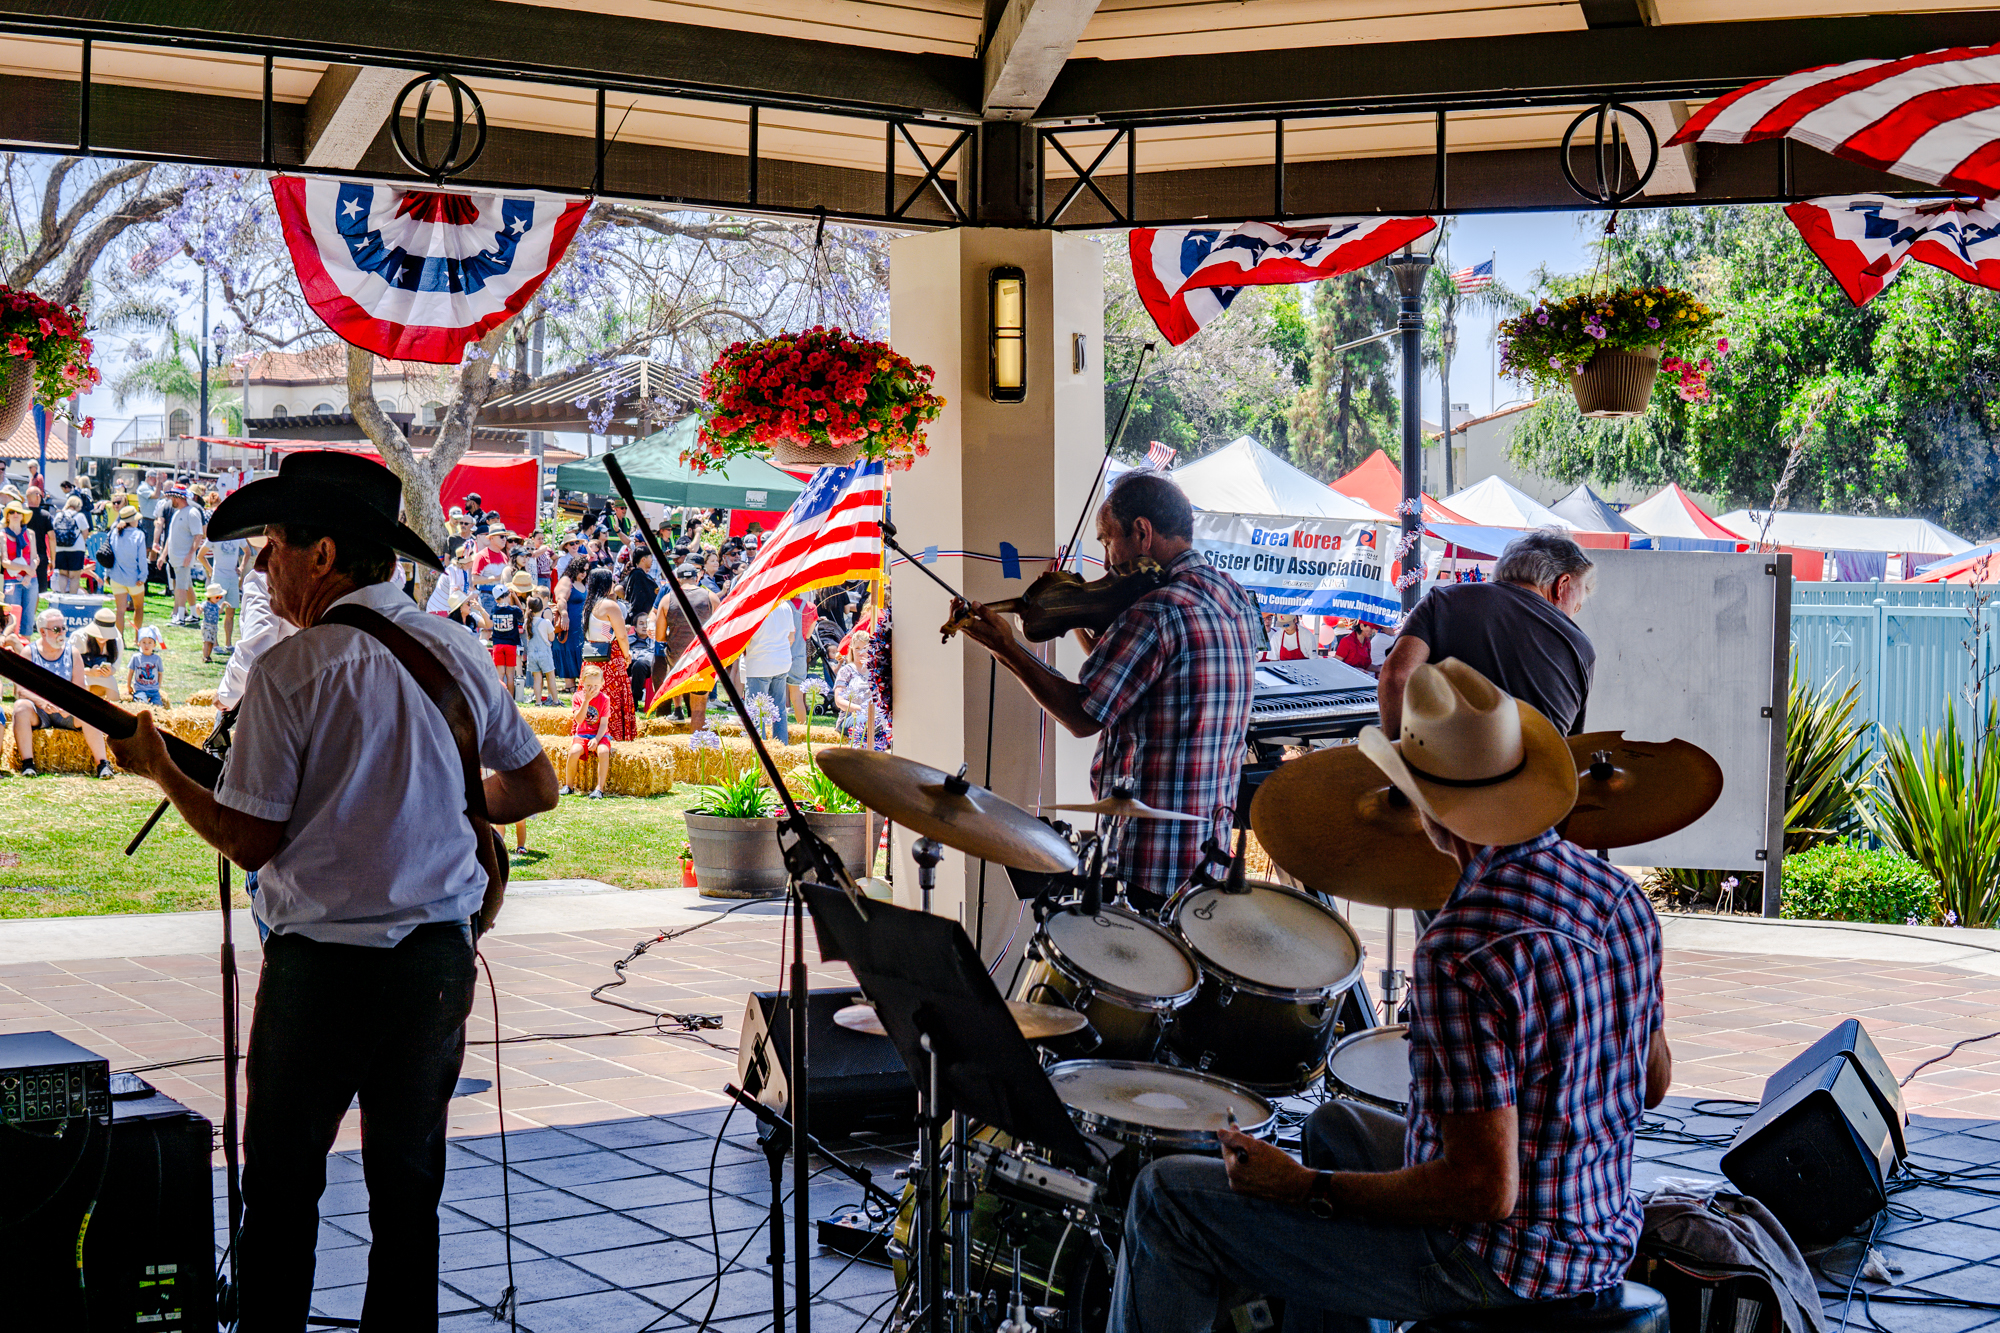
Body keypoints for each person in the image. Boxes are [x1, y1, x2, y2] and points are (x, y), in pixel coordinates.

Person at [104, 449, 558, 1333]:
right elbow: (534, 787)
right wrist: (444, 802)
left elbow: (249, 837)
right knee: (409, 1192)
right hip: (435, 965)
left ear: (321, 555)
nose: (262, 563)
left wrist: (160, 767)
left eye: (272, 544)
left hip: (320, 972)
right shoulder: (456, 646)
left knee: (281, 1191)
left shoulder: (291, 670)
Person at [1109, 658, 1671, 1333]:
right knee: (1335, 1126)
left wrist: (1304, 1188)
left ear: (1426, 808)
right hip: (1597, 1235)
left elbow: (1483, 1190)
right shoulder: (1620, 899)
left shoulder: (1460, 949)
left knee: (1166, 1197)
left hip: (1493, 1267)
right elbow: (1653, 1082)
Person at [954, 471, 1258, 906]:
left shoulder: (1156, 612)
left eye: (1106, 541)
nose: (1106, 561)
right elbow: (1137, 676)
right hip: (1207, 854)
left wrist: (1007, 648)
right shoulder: (1233, 596)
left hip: (1148, 859)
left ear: (1142, 532)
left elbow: (1083, 715)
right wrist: (1082, 611)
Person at [1380, 529, 1597, 739]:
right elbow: (1568, 748)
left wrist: (1400, 753)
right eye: (1576, 606)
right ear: (1561, 585)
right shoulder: (1580, 648)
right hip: (1536, 764)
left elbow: (1397, 676)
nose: (1572, 616)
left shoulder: (1443, 601)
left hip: (1436, 758)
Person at [11, 606, 114, 778]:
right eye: (56, 629)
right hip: (39, 710)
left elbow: (80, 689)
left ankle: (103, 764)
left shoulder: (72, 653)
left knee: (89, 709)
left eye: (63, 628)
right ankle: (28, 764)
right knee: (20, 707)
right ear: (42, 632)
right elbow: (21, 690)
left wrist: (69, 706)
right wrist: (42, 702)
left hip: (67, 711)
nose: (62, 633)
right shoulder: (29, 652)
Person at [652, 563, 714, 731]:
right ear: (697, 577)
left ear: (677, 580)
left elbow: (659, 637)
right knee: (699, 703)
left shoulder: (667, 599)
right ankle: (698, 737)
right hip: (702, 656)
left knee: (673, 668)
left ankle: (678, 709)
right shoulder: (711, 597)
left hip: (677, 656)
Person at [581, 567, 636, 741]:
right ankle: (614, 735)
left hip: (592, 658)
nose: (614, 584)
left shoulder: (589, 604)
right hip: (611, 658)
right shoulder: (610, 605)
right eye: (612, 581)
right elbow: (622, 636)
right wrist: (627, 655)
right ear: (606, 583)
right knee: (613, 697)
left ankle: (589, 733)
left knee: (592, 696)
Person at [739, 597, 795, 744]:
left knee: (756, 712)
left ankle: (758, 749)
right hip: (781, 661)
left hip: (758, 663)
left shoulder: (753, 607)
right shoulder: (785, 605)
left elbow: (745, 639)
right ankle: (781, 746)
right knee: (779, 708)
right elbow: (791, 637)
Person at [157, 485, 208, 626]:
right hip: (176, 558)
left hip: (183, 557)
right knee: (187, 585)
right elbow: (170, 537)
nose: (171, 500)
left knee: (180, 587)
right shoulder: (177, 513)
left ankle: (180, 617)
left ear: (178, 497)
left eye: (172, 497)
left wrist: (190, 554)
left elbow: (198, 535)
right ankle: (194, 615)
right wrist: (163, 555)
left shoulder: (192, 513)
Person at [563, 662, 614, 798]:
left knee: (603, 751)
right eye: (588, 686)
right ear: (582, 683)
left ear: (602, 684)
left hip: (600, 734)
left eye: (596, 686)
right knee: (573, 752)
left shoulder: (605, 699)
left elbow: (604, 724)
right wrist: (586, 701)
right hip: (583, 734)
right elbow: (579, 720)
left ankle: (599, 788)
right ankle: (569, 786)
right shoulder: (578, 697)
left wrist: (597, 739)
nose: (592, 689)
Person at [105, 504, 150, 644]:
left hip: (116, 577)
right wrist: (143, 576)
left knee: (120, 611)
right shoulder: (139, 535)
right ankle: (137, 638)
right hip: (134, 578)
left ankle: (120, 640)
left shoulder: (114, 533)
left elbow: (108, 554)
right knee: (139, 608)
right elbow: (142, 558)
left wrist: (107, 574)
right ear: (133, 520)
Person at [489, 571, 530, 699]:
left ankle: (499, 699)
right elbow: (522, 613)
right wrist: (516, 598)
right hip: (511, 644)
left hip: (497, 644)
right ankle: (511, 700)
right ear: (508, 595)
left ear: (496, 599)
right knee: (510, 674)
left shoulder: (494, 610)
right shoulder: (513, 610)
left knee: (500, 674)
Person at [552, 554, 588, 692]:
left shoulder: (582, 582)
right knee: (568, 649)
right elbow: (561, 598)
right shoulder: (567, 580)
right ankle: (569, 684)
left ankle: (580, 682)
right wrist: (564, 614)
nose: (584, 573)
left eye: (586, 570)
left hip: (580, 626)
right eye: (581, 570)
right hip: (569, 623)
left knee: (579, 650)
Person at [1, 499, 35, 634]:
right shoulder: (2, 535)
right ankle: (12, 644)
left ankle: (26, 646)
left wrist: (29, 574)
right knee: (12, 616)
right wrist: (26, 568)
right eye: (12, 512)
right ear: (7, 516)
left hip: (31, 579)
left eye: (18, 512)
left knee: (28, 619)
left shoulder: (30, 533)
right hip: (12, 580)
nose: (15, 514)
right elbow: (5, 561)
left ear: (23, 516)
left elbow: (35, 558)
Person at [75, 606, 121, 699]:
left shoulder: (117, 641)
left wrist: (109, 671)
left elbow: (115, 667)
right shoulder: (79, 638)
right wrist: (89, 672)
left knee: (111, 682)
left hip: (104, 678)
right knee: (83, 682)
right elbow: (69, 666)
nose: (102, 637)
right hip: (81, 675)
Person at [50, 493, 88, 594]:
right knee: (74, 577)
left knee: (63, 574)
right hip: (76, 549)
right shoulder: (79, 516)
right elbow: (85, 532)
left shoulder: (59, 515)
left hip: (60, 548)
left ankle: (63, 595)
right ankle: (72, 597)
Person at [523, 594, 557, 706]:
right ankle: (555, 701)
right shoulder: (545, 622)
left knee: (537, 679)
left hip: (532, 654)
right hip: (544, 653)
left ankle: (538, 702)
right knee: (550, 677)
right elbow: (551, 638)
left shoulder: (527, 622)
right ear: (542, 608)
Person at [22, 485, 55, 595]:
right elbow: (52, 537)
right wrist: (53, 559)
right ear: (37, 497)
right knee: (40, 591)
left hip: (23, 555)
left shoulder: (21, 514)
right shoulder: (45, 515)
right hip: (40, 555)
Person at [128, 625, 167, 706]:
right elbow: (131, 672)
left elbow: (160, 673)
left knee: (157, 706)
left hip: (154, 691)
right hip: (140, 689)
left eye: (150, 643)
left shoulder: (157, 659)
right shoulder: (136, 657)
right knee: (142, 704)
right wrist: (128, 685)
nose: (147, 645)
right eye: (144, 642)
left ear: (154, 645)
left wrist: (158, 686)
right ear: (139, 644)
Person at [200, 583, 225, 662]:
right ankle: (205, 656)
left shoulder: (216, 605)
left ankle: (208, 656)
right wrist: (197, 608)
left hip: (214, 626)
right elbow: (200, 611)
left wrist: (223, 605)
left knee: (211, 642)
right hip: (207, 625)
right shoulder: (206, 604)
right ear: (210, 597)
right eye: (217, 597)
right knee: (206, 641)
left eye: (220, 597)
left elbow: (219, 612)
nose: (218, 599)